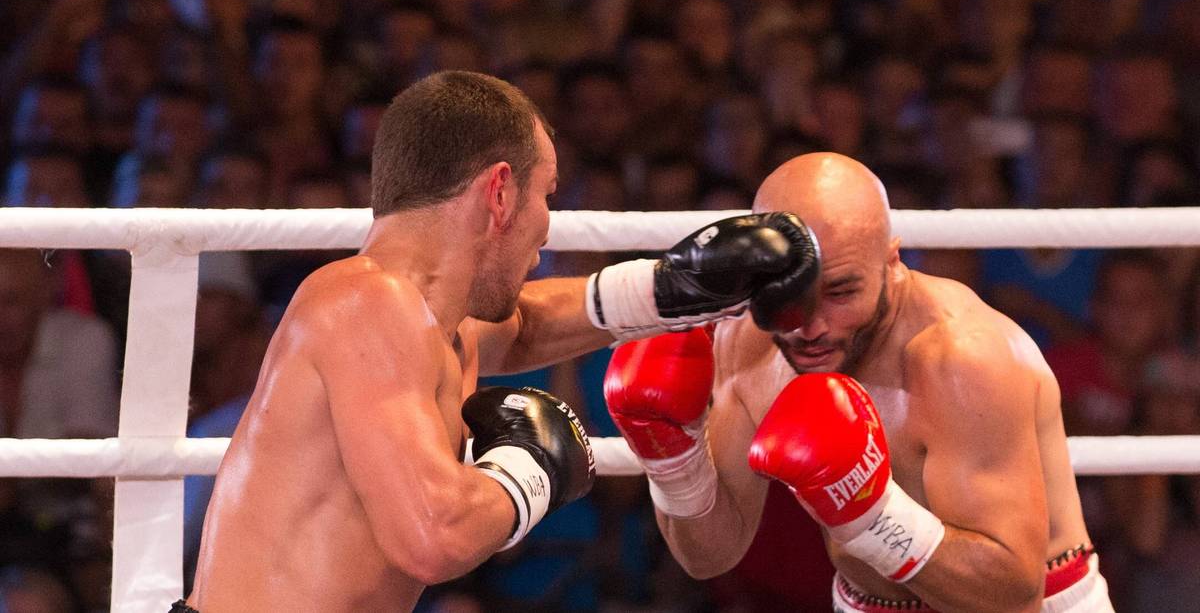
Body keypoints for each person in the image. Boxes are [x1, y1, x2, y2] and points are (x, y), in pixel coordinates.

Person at [180, 70, 816, 613]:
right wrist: (530, 467)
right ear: (501, 191)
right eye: (547, 196)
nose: (547, 228)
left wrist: (675, 287)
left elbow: (529, 323)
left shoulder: (432, 318)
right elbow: (435, 535)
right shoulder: (367, 303)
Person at [605, 152, 1114, 612]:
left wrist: (871, 515)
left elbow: (1012, 597)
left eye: (841, 291)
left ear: (891, 263)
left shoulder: (961, 359)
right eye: (786, 292)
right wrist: (675, 461)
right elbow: (710, 555)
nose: (810, 325)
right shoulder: (750, 340)